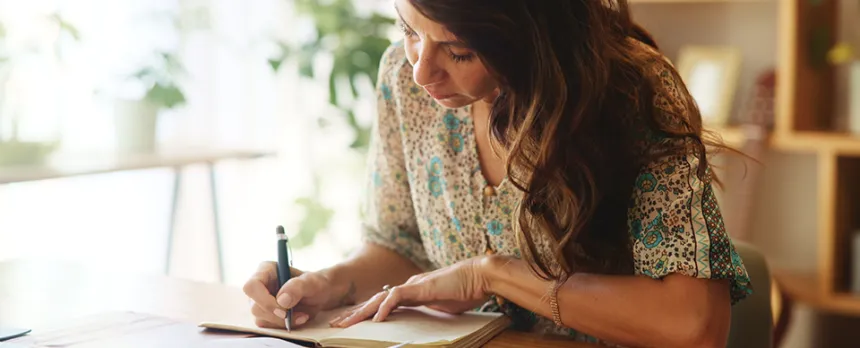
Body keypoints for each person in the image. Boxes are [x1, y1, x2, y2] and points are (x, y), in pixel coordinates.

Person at [243, 0, 753, 346]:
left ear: (533, 34)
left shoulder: (631, 91)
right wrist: (333, 284)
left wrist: (494, 275)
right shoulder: (403, 77)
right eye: (408, 30)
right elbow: (400, 248)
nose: (422, 70)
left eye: (459, 50)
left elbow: (694, 324)